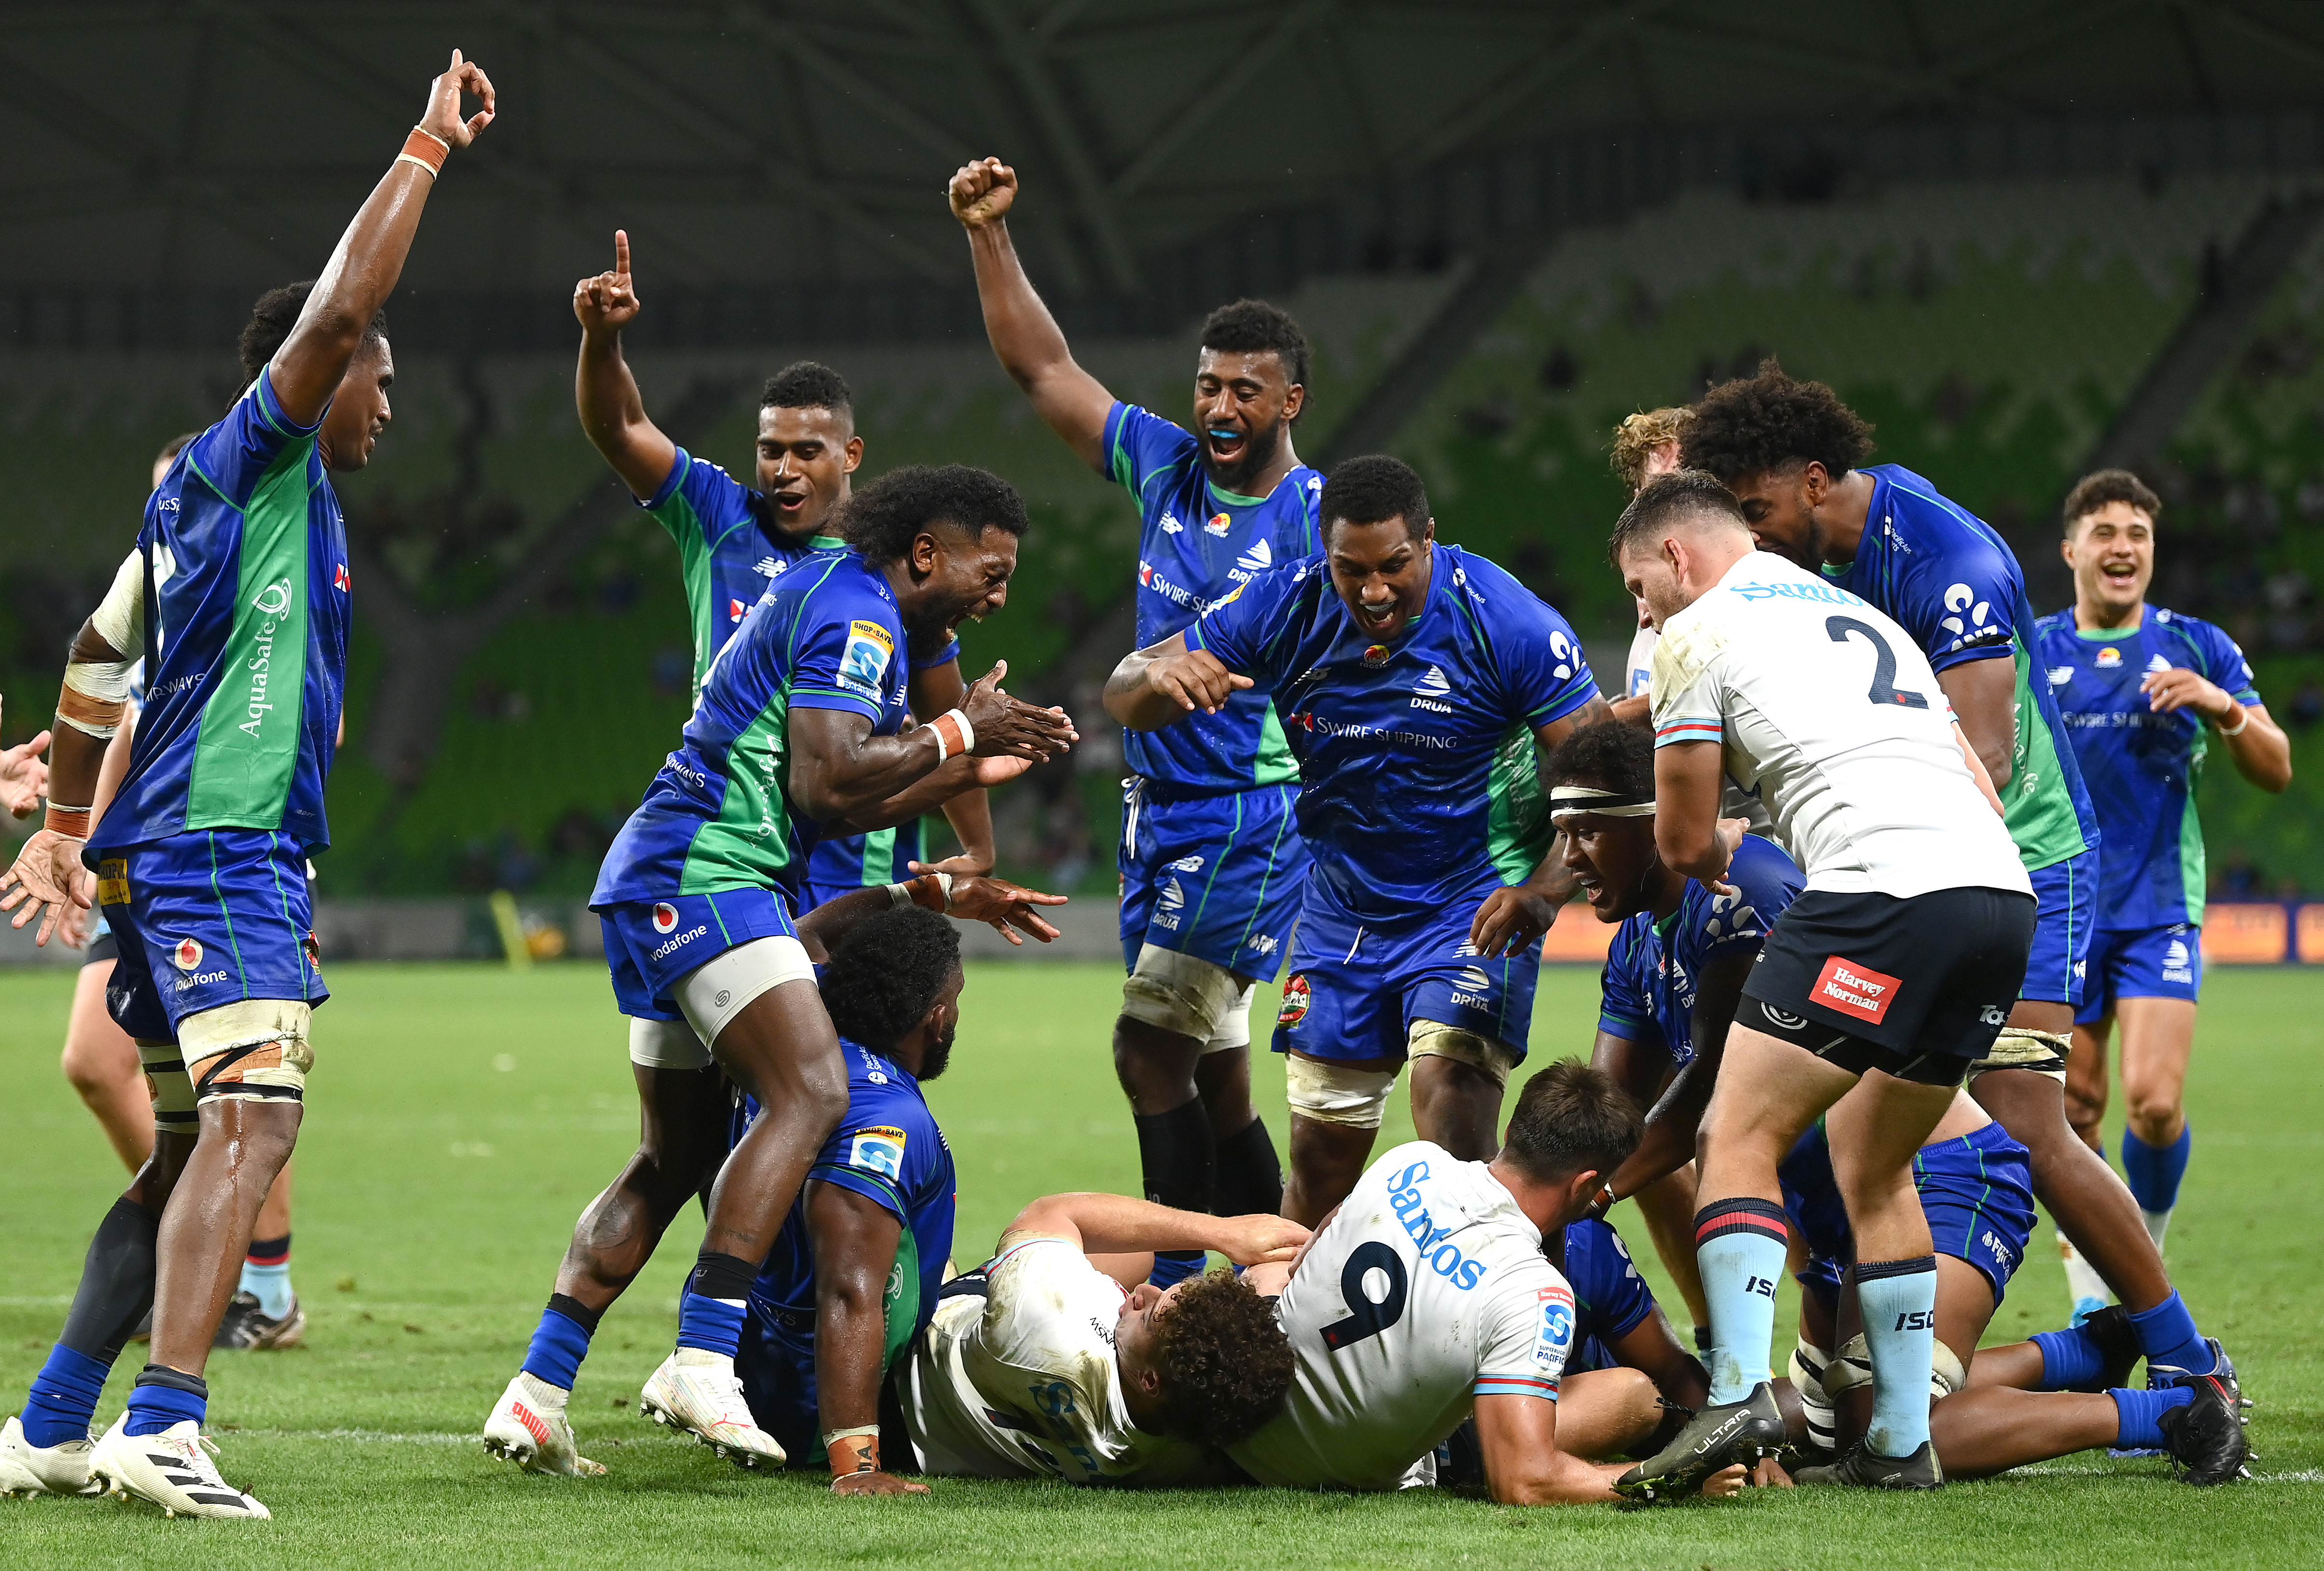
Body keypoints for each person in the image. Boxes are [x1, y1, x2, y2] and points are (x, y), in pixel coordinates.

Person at [0, 51, 497, 1520]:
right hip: (222, 847)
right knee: (252, 1122)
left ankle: (44, 1426)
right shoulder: (256, 459)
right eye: (379, 383)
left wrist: (67, 832)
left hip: (174, 854)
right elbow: (342, 303)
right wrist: (425, 144)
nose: (386, 407)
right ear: (321, 376)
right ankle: (167, 1423)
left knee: (174, 1155)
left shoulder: (201, 504)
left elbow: (96, 658)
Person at [1678, 368, 2238, 1402]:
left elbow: (1974, 750)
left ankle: (2189, 1361)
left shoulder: (1953, 563)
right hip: (1910, 865)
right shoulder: (1830, 547)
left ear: (1812, 482)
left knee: (2028, 1115)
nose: (1748, 539)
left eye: (1755, 512)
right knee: (1845, 1108)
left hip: (2013, 853)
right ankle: (1881, 1354)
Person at [521, 463, 1073, 1473]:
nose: (997, 597)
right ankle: (702, 1354)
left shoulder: (838, 591)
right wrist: (958, 729)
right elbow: (827, 786)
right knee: (813, 1089)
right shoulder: (860, 617)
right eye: (988, 574)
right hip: (707, 872)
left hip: (664, 872)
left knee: (673, 1153)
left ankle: (537, 1386)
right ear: (924, 555)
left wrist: (958, 765)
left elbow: (852, 801)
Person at [1608, 470, 2034, 1494]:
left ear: (1678, 555)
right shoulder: (1853, 609)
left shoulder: (1695, 633)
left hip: (1878, 894)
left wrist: (1726, 841)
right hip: (1995, 901)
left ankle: (1738, 1391)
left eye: (1638, 588)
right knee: (1872, 1157)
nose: (1641, 612)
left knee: (1735, 1133)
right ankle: (1898, 1441)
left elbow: (1675, 840)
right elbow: (1980, 777)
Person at [952, 155, 1317, 1285]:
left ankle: (1168, 1289)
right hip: (1159, 810)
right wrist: (988, 235)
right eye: (1208, 384)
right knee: (1211, 1077)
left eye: (1244, 390)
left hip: (1247, 814)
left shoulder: (1314, 523)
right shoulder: (1164, 466)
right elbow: (1041, 365)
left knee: (1144, 1045)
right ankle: (1271, 1281)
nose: (1217, 406)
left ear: (1288, 402)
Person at [1104, 456, 1605, 1223]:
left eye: (1393, 567)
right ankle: (1290, 1338)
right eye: (1351, 570)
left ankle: (1520, 1330)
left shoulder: (1503, 619)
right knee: (1318, 1164)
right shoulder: (1285, 601)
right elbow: (1126, 688)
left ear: (1429, 540)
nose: (1373, 592)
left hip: (1471, 902)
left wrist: (1542, 891)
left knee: (1454, 1130)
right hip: (1342, 912)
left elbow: (1600, 770)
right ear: (1324, 555)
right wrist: (1156, 683)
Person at [486, 885, 1061, 1483]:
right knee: (1056, 1250)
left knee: (659, 1162)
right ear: (935, 1018)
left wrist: (926, 891)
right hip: (806, 1406)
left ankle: (547, 1379)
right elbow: (849, 1289)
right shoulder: (888, 1119)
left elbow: (806, 935)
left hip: (750, 1355)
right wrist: (856, 1463)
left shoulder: (786, 1043)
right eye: (955, 999)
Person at [569, 234, 996, 902]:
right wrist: (601, 339)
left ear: (850, 453)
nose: (784, 470)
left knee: (846, 1004)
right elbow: (618, 428)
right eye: (771, 451)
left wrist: (977, 846)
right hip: (743, 822)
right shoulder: (717, 515)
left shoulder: (892, 568)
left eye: (807, 451)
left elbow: (942, 700)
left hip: (853, 836)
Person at [45, 435, 306, 1357]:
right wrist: (68, 824)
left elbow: (312, 714)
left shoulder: (261, 598)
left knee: (239, 1096)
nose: (178, 515)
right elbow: (101, 691)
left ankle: (257, 1287)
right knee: (179, 1094)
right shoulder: (158, 591)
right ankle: (200, 1273)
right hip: (140, 858)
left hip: (218, 856)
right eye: (163, 501)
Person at [1229, 1059, 1749, 1504]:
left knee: (1270, 1270)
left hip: (1249, 1416)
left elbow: (1306, 1261)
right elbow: (1523, 1482)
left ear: (1509, 1134)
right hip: (1337, 1463)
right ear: (1587, 1185)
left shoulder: (1410, 1160)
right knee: (1632, 1394)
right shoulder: (1535, 1291)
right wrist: (1669, 1477)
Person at [2038, 470, 2291, 1311]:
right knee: (2072, 1107)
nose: (2122, 547)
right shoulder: (2031, 651)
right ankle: (2088, 1295)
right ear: (2070, 549)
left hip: (2155, 909)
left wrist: (2221, 706)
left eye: (2137, 533)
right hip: (2060, 909)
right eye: (2104, 531)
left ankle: (2138, 1256)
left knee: (2151, 1102)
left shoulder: (2193, 643)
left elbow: (2275, 766)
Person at [1778, 1089, 2250, 1486]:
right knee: (1831, 1425)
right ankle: (2083, 1353)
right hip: (1860, 1195)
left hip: (1938, 1175)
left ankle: (2181, 1412)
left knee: (1895, 1438)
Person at [891, 1192, 1304, 1484]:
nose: (1145, 1294)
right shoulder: (1200, 1444)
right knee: (1140, 1257)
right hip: (998, 1421)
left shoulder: (1045, 1316)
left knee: (1136, 1253)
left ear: (1151, 1380)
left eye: (1151, 1315)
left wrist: (1221, 1233)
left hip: (925, 1365)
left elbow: (1053, 1212)